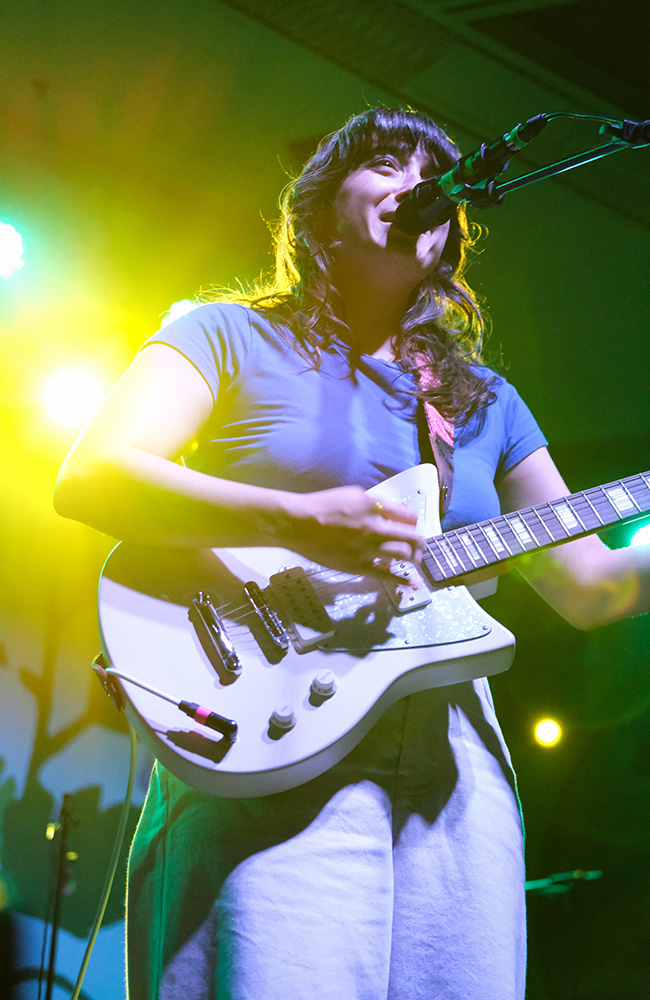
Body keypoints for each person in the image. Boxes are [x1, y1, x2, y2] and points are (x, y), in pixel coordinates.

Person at [54, 108, 650, 1000]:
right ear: (319, 207)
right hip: (267, 737)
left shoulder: (486, 403)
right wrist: (295, 522)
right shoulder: (225, 335)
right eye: (384, 163)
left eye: (434, 178)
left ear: (450, 242)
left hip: (454, 766)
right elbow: (93, 476)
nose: (416, 186)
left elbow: (592, 586)